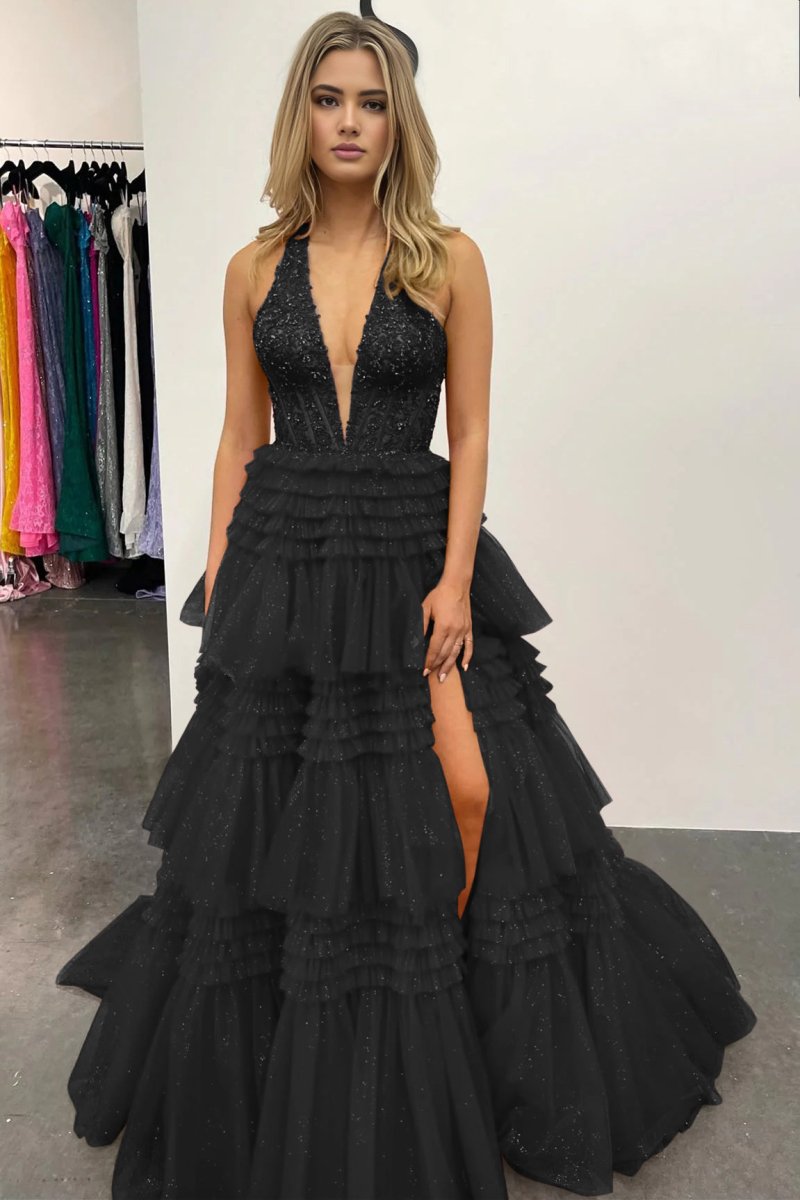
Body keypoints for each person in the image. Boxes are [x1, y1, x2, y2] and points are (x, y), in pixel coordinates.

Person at [55, 11, 757, 1199]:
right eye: (329, 99)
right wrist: (221, 576)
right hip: (286, 557)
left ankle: (455, 1006)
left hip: (406, 550)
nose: (349, 123)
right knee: (280, 811)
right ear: (301, 114)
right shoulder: (251, 267)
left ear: (399, 122)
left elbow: (471, 431)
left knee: (468, 787)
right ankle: (312, 1030)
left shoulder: (447, 260)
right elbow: (237, 432)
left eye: (372, 103)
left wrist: (454, 576)